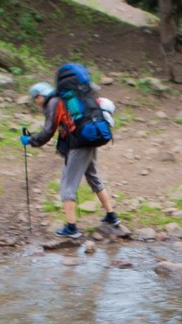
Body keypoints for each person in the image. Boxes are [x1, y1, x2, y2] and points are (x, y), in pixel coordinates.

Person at [22, 80, 119, 238]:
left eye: (35, 98)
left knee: (68, 184)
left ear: (40, 96)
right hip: (89, 138)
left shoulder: (53, 103)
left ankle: (71, 228)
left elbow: (48, 131)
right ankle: (111, 216)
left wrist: (31, 141)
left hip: (78, 144)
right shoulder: (65, 100)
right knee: (93, 177)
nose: (35, 102)